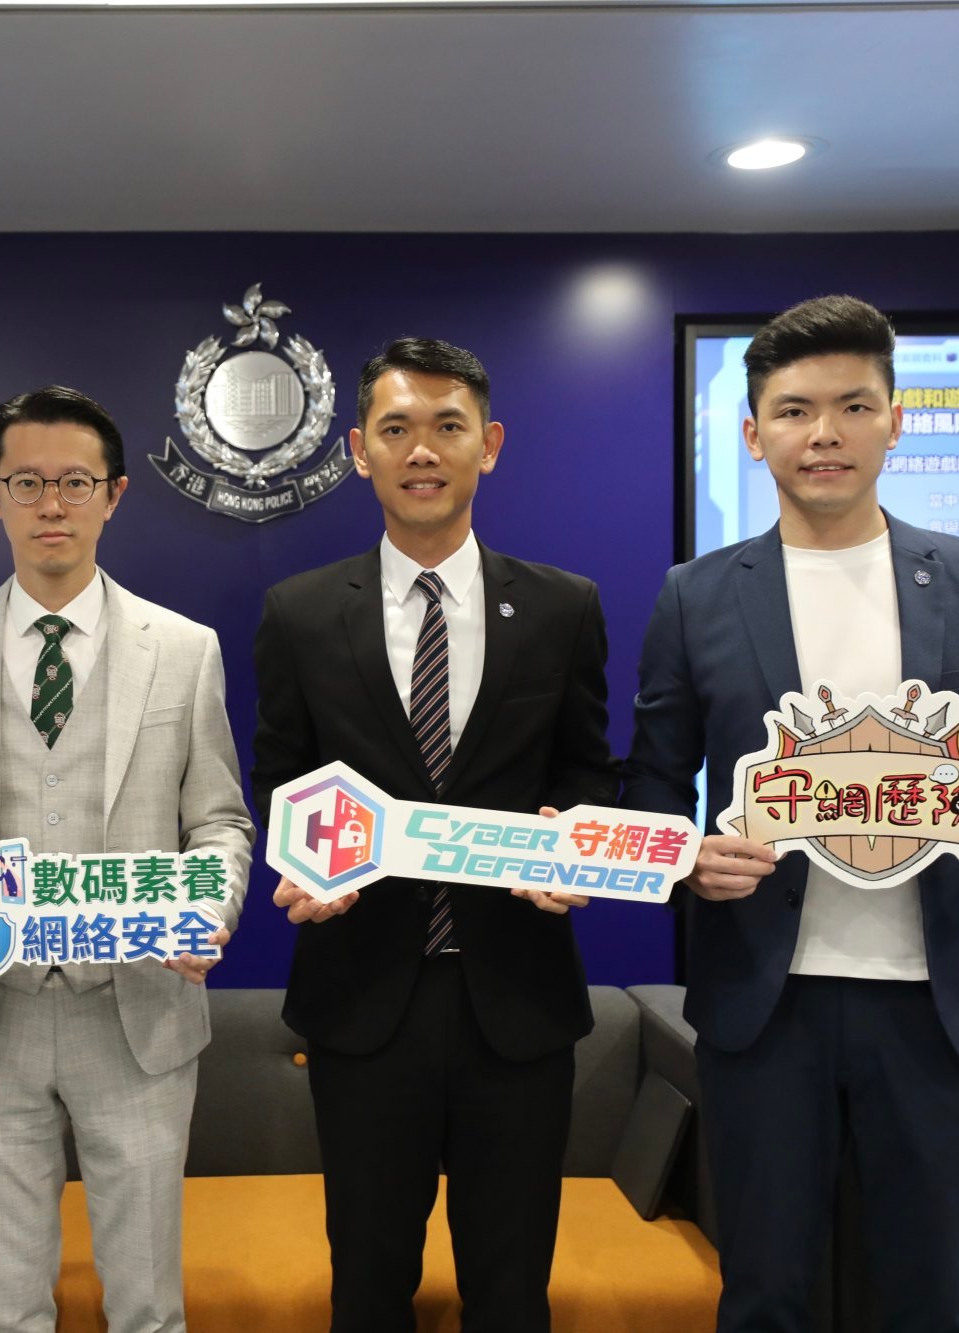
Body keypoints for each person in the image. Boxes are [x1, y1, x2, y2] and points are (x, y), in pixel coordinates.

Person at [621, 295, 959, 1331]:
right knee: (762, 1297)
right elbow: (652, 788)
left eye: (852, 406)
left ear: (895, 420)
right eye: (794, 410)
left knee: (933, 1300)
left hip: (937, 1011)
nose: (824, 433)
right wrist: (681, 858)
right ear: (753, 434)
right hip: (764, 1008)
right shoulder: (695, 597)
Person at [0, 386, 254, 1333]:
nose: (52, 504)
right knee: (5, 1306)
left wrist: (208, 907)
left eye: (75, 482)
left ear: (115, 495)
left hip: (138, 1011)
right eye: (28, 482)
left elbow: (220, 820)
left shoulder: (185, 651)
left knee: (147, 1303)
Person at [250, 338, 617, 1331]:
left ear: (486, 445)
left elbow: (587, 766)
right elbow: (282, 776)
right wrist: (300, 863)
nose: (423, 450)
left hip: (518, 997)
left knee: (510, 1289)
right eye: (396, 429)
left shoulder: (560, 606)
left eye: (447, 427)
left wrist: (573, 839)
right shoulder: (298, 613)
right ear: (358, 450)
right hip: (364, 998)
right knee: (368, 1284)